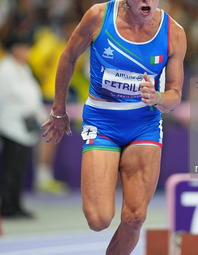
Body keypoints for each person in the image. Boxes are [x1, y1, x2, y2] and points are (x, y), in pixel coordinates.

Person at [41, 0, 186, 254]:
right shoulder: (98, 16)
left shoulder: (174, 32)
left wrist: (158, 98)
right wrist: (58, 109)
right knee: (98, 220)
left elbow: (175, 94)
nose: (146, 2)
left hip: (144, 125)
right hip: (102, 121)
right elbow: (67, 58)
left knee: (135, 217)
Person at [0, 31, 47, 218]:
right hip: (10, 126)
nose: (27, 51)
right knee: (10, 168)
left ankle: (16, 204)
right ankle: (7, 206)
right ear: (14, 49)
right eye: (23, 47)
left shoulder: (24, 69)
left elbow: (32, 96)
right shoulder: (5, 70)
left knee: (19, 169)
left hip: (26, 127)